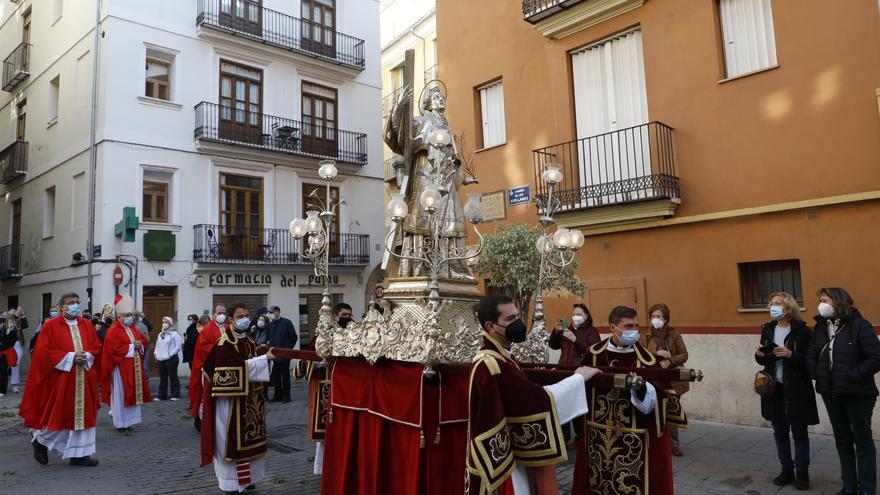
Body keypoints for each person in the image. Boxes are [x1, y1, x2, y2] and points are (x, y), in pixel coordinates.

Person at [467, 294, 598, 494]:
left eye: (517, 317)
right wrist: (578, 378)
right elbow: (536, 400)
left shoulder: (502, 357)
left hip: (513, 453)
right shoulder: (491, 364)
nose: (517, 323)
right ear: (491, 326)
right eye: (510, 319)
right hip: (504, 463)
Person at [571, 305, 675, 494]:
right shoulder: (594, 355)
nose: (634, 331)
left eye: (636, 326)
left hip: (634, 441)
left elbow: (660, 399)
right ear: (613, 328)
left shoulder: (646, 360)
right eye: (628, 327)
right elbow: (579, 390)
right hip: (598, 439)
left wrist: (642, 388)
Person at [200, 301, 278, 494]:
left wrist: (264, 356)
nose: (243, 319)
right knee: (232, 443)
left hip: (251, 404)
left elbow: (254, 362)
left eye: (245, 316)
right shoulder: (224, 344)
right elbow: (231, 372)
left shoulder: (249, 341)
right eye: (239, 316)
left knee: (252, 444)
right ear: (230, 319)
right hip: (231, 405)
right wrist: (262, 360)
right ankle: (231, 484)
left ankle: (248, 479)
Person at [807, 288, 880, 495]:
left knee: (862, 440)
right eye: (819, 300)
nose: (821, 304)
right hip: (831, 393)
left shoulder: (860, 326)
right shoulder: (820, 327)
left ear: (838, 301)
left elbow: (876, 357)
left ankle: (867, 488)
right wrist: (817, 373)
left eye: (825, 300)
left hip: (858, 393)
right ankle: (849, 486)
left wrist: (852, 375)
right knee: (842, 440)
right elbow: (812, 354)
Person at [19, 292, 101, 466]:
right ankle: (40, 441)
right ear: (61, 307)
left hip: (84, 378)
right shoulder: (51, 326)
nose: (75, 305)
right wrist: (71, 357)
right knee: (61, 415)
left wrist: (87, 355)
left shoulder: (87, 324)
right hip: (62, 378)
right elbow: (43, 352)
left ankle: (80, 455)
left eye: (77, 302)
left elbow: (95, 346)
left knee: (83, 416)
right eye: (71, 303)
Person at [753, 292, 818, 490]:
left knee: (799, 432)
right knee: (779, 431)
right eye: (771, 303)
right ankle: (786, 470)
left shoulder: (802, 331)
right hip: (774, 388)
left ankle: (803, 473)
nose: (773, 306)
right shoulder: (768, 329)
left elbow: (809, 361)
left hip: (796, 388)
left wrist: (791, 354)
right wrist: (760, 355)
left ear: (788, 308)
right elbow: (764, 360)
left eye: (778, 303)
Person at [640, 303, 690, 457]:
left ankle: (674, 444)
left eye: (659, 317)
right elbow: (641, 356)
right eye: (653, 316)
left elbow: (684, 354)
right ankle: (656, 443)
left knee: (672, 411)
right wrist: (656, 353)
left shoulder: (674, 333)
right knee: (654, 411)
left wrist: (670, 360)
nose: (655, 319)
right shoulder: (645, 336)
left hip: (673, 379)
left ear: (666, 319)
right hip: (654, 379)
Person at [100, 293, 152, 432]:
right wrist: (131, 347)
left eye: (130, 315)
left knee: (132, 393)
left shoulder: (132, 328)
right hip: (119, 368)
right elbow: (112, 350)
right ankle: (121, 423)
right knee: (121, 395)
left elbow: (143, 340)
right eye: (127, 315)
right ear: (119, 317)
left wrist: (139, 344)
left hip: (133, 366)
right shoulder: (113, 331)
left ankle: (130, 421)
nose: (130, 318)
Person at [190, 305, 227, 431]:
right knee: (205, 395)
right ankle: (201, 422)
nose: (221, 315)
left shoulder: (227, 328)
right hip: (208, 369)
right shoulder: (207, 330)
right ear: (213, 314)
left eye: (223, 313)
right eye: (219, 313)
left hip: (224, 368)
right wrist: (219, 348)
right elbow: (202, 348)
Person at [268, 305, 297, 403]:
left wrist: (288, 349)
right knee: (275, 376)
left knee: (285, 376)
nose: (271, 314)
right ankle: (277, 395)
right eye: (270, 313)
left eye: (272, 312)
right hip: (274, 354)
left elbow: (294, 337)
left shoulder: (286, 322)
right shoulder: (271, 324)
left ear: (278, 312)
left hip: (285, 354)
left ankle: (286, 396)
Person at [154, 316, 182, 402]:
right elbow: (157, 345)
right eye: (163, 322)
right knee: (163, 378)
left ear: (170, 323)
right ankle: (162, 395)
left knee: (173, 377)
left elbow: (178, 347)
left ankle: (175, 394)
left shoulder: (174, 334)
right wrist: (155, 354)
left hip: (171, 359)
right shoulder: (160, 334)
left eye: (166, 322)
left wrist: (170, 354)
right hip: (161, 358)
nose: (164, 324)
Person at [9, 307, 28, 394]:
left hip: (17, 344)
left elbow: (25, 325)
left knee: (15, 364)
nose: (15, 313)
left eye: (15, 311)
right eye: (12, 312)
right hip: (7, 345)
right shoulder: (7, 320)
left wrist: (23, 315)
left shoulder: (19, 321)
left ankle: (15, 385)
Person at [0, 312, 18, 398]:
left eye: (4, 316)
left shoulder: (12, 329)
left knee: (3, 371)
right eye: (2, 316)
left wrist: (9, 331)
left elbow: (13, 341)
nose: (2, 318)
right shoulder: (1, 326)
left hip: (6, 352)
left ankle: (2, 390)